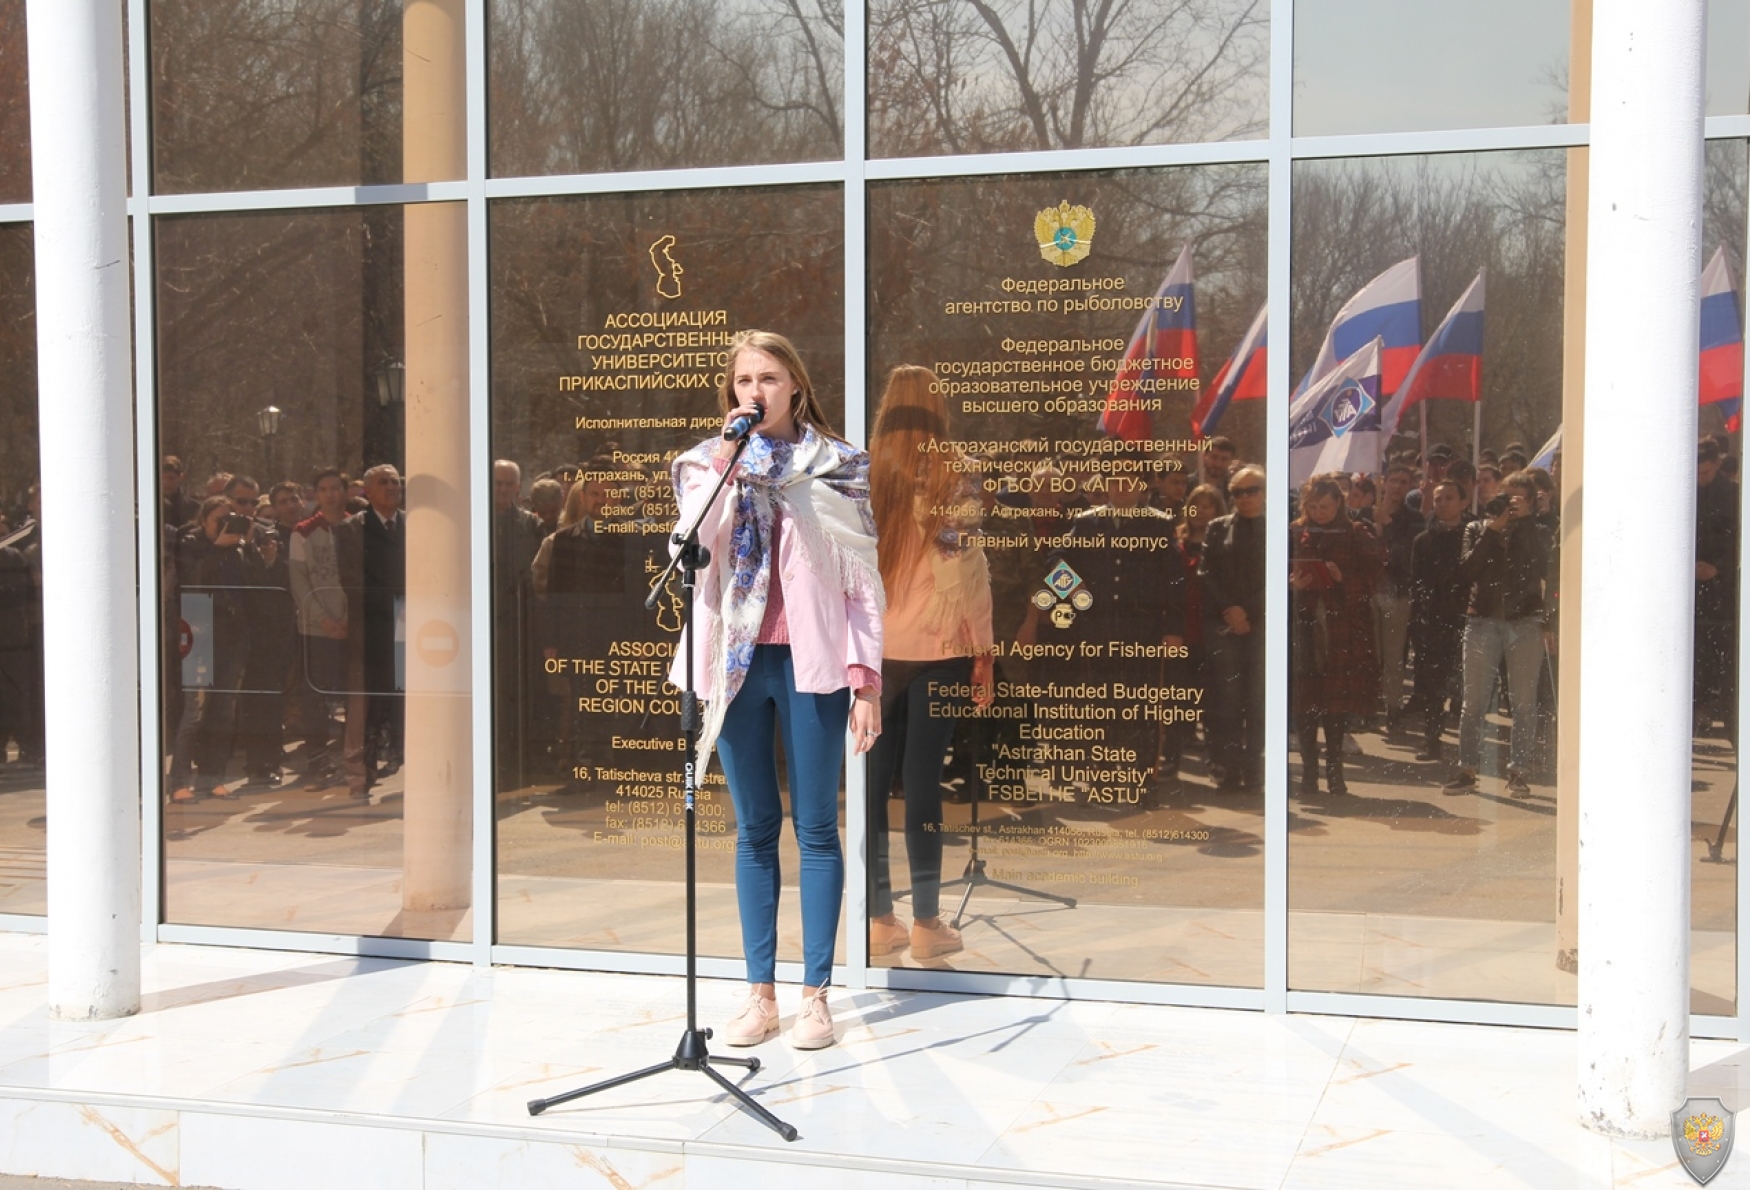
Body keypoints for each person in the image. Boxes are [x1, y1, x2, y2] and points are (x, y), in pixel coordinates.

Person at [667, 330, 883, 1050]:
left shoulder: (841, 465)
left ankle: (815, 996)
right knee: (754, 827)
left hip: (810, 664)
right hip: (733, 664)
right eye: (742, 380)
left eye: (767, 377)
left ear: (795, 382)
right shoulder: (704, 463)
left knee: (816, 828)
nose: (753, 391)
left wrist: (867, 682)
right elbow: (691, 548)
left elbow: (862, 585)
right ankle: (759, 996)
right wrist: (729, 461)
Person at [865, 365, 994, 963]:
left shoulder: (865, 473)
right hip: (940, 648)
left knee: (868, 786)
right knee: (922, 785)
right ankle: (924, 923)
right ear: (938, 408)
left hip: (875, 650)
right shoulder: (953, 474)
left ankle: (876, 919)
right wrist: (983, 653)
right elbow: (966, 573)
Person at [1443, 471, 1552, 798]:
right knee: (1473, 701)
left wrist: (1527, 523)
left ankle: (1519, 772)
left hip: (1524, 621)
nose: (1511, 504)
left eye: (1519, 498)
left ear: (1531, 501)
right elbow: (1467, 571)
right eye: (1507, 496)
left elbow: (1541, 566)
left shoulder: (1541, 531)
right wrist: (1494, 530)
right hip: (1483, 620)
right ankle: (1467, 769)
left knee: (1523, 703)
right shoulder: (1477, 528)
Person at [1289, 476, 1381, 795]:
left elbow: (1374, 578)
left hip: (1340, 627)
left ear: (1339, 502)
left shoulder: (1356, 533)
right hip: (1304, 623)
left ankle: (1335, 772)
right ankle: (1309, 774)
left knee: (1335, 705)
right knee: (1304, 703)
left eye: (1325, 506)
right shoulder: (1294, 531)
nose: (1318, 513)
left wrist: (1343, 578)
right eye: (1312, 507)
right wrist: (1292, 584)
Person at [1201, 465, 1266, 793]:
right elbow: (1206, 573)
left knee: (1257, 700)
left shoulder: (1276, 529)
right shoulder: (1216, 528)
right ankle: (1227, 768)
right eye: (1238, 492)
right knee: (1226, 699)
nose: (1244, 498)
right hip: (1223, 623)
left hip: (1260, 624)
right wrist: (1230, 610)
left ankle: (1254, 768)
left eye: (1251, 490)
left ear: (1264, 493)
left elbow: (1277, 576)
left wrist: (1248, 612)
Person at [289, 470, 355, 789]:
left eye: (335, 488)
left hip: (352, 627)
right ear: (315, 494)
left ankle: (350, 763)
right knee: (316, 699)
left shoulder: (357, 527)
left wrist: (349, 619)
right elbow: (300, 583)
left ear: (345, 491)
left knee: (353, 697)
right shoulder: (303, 532)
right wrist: (324, 620)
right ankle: (317, 764)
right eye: (323, 489)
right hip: (317, 630)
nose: (330, 495)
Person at [1408, 480, 1471, 762]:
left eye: (1449, 498)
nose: (1443, 503)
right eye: (1438, 499)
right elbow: (1416, 581)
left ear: (1463, 503)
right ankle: (1431, 740)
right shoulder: (1423, 541)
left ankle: (1469, 747)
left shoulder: (1472, 537)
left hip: (1465, 619)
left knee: (1465, 685)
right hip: (1433, 621)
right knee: (1433, 685)